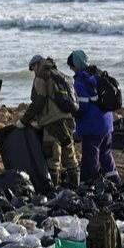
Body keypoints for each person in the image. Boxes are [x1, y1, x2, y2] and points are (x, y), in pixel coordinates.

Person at [17, 54, 79, 189]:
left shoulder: (41, 76)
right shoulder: (59, 74)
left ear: (36, 65)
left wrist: (24, 120)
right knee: (69, 155)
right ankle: (76, 186)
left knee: (53, 158)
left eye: (32, 68)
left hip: (52, 124)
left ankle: (53, 190)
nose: (33, 71)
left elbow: (39, 101)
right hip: (68, 121)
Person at [67, 50, 120, 185]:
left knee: (90, 158)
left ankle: (86, 184)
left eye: (71, 66)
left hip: (93, 127)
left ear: (76, 65)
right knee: (106, 154)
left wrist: (72, 113)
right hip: (107, 123)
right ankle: (115, 180)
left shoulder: (80, 81)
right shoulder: (97, 74)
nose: (71, 69)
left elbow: (82, 106)